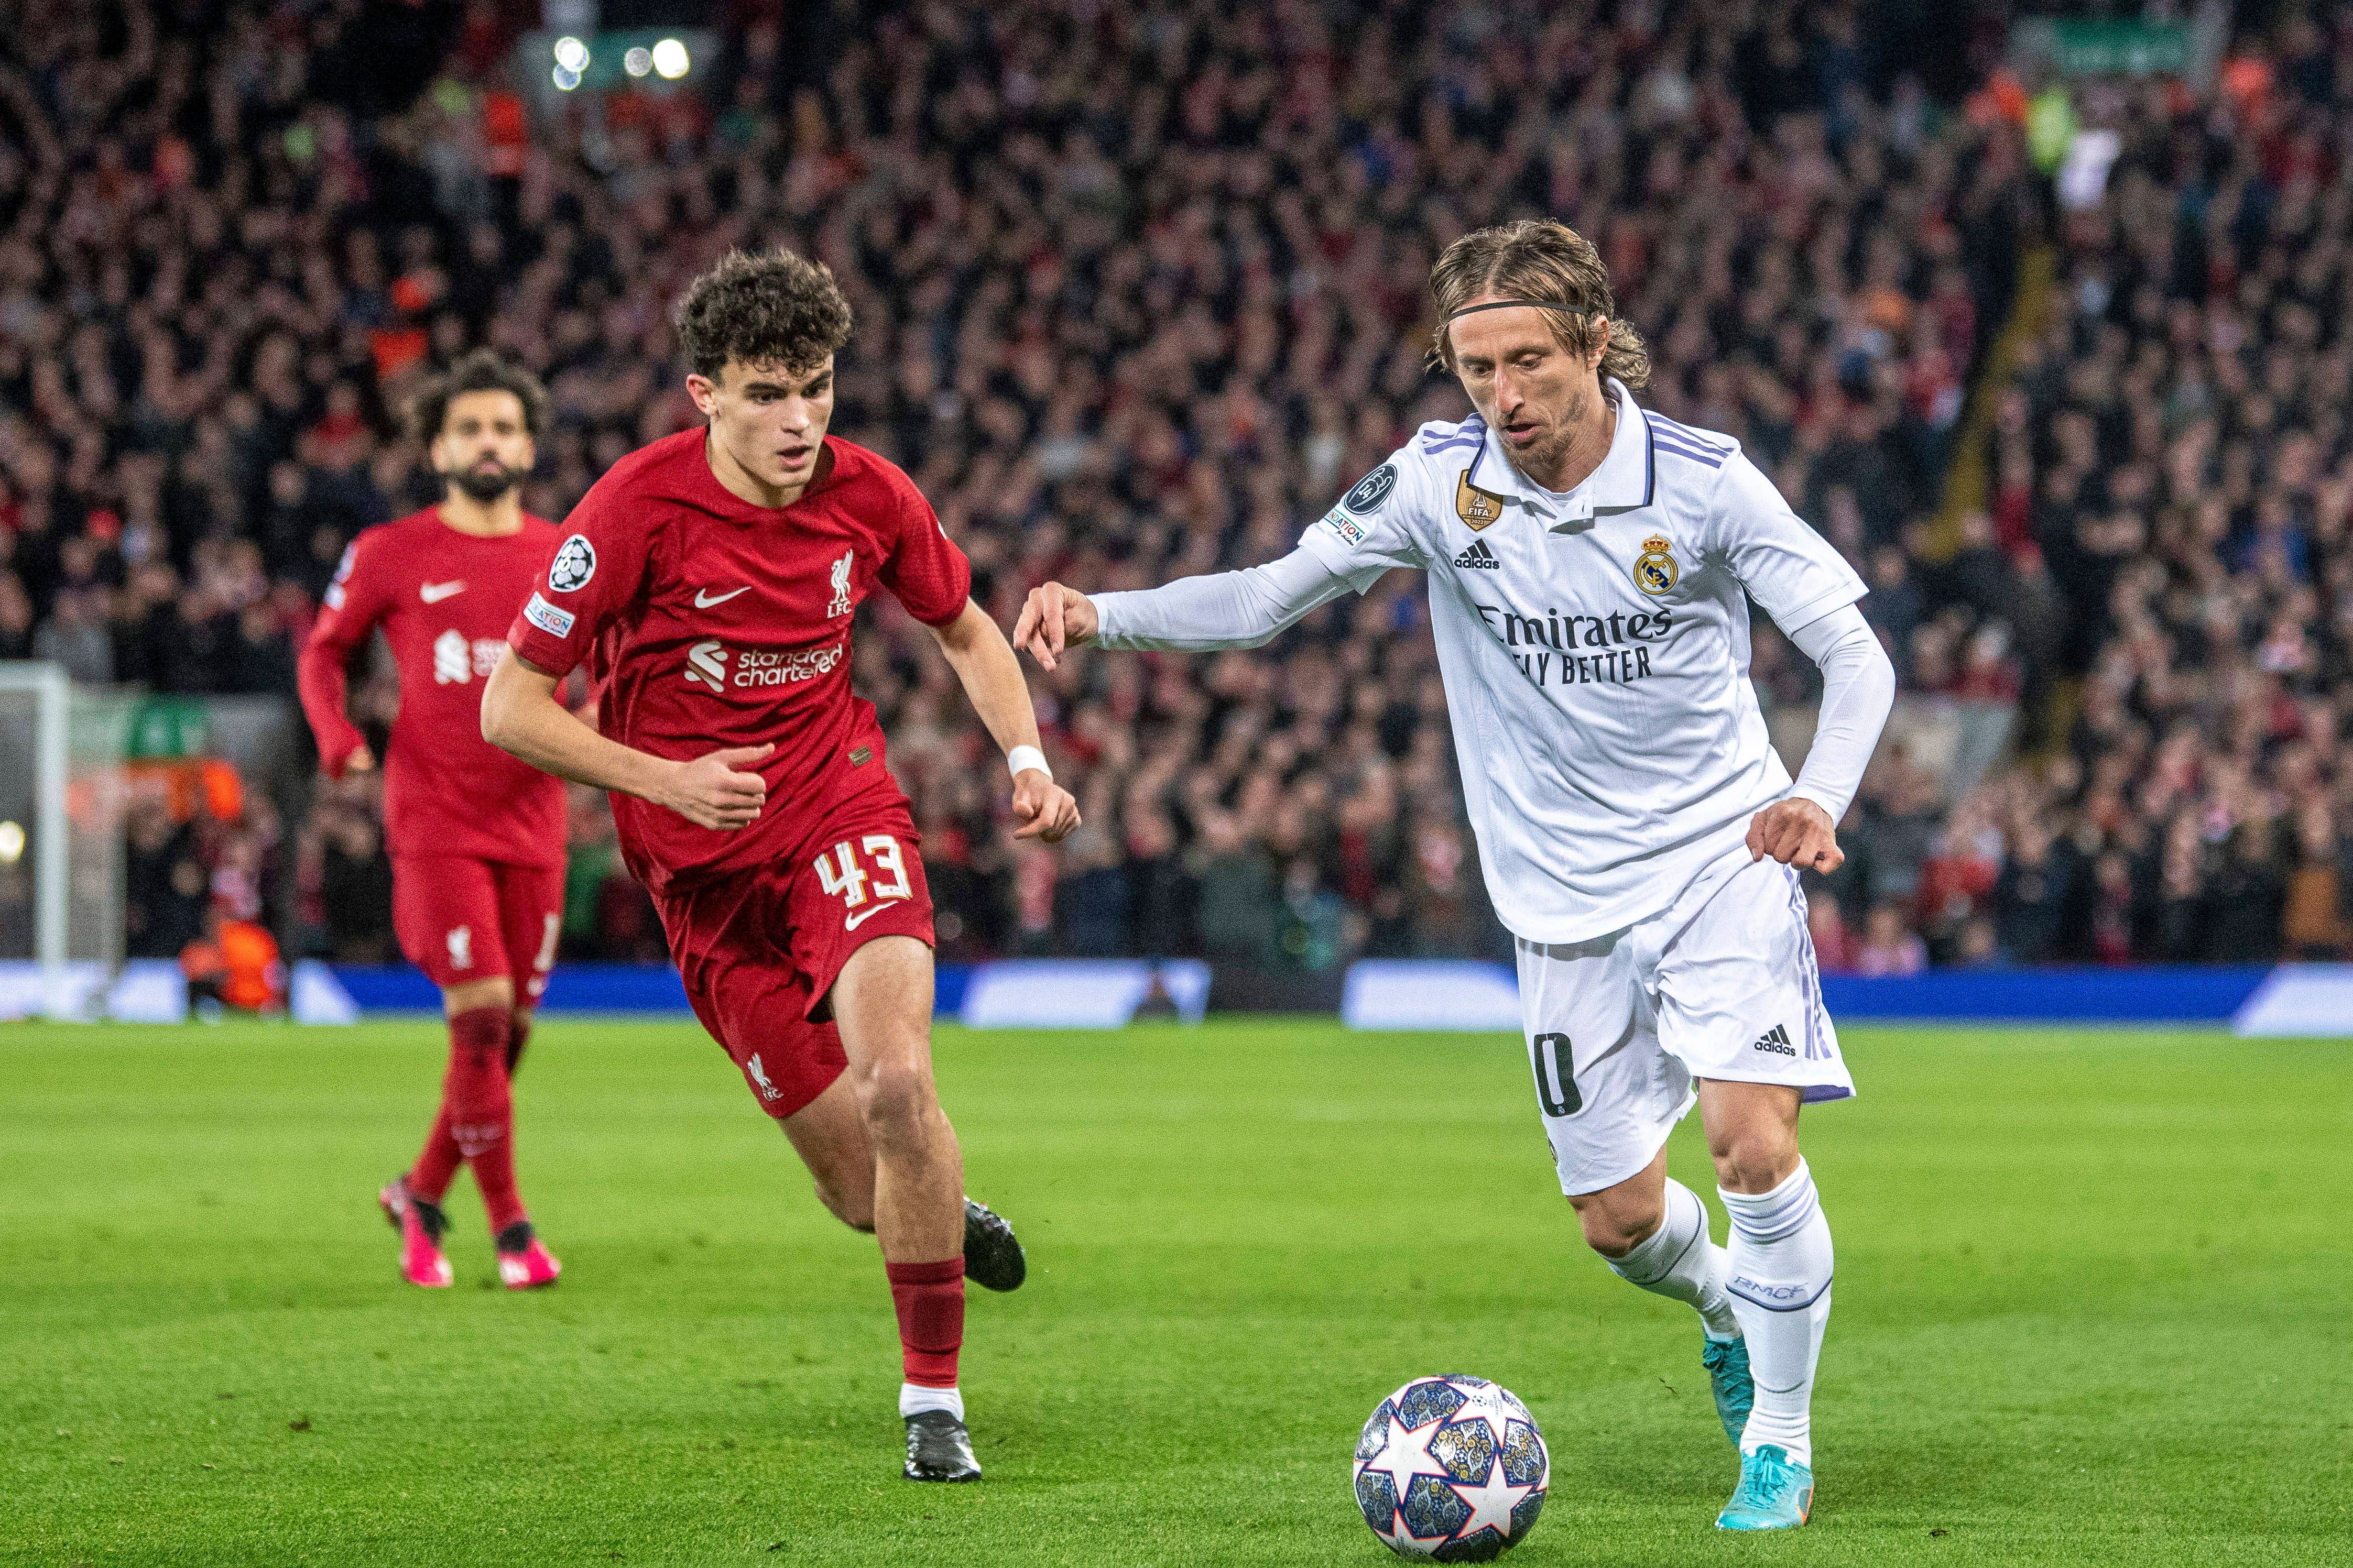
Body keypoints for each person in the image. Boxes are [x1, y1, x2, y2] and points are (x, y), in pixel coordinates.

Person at [1014, 220, 1895, 1532]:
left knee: (1749, 1145)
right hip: (1558, 903)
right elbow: (1267, 598)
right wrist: (1104, 610)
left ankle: (1780, 1440)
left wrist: (1813, 796)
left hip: (1723, 856)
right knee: (1616, 1220)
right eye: (1474, 368)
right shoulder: (1437, 484)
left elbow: (1855, 654)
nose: (1503, 397)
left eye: (1529, 362)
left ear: (1594, 341)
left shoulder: (1705, 483)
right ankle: (1722, 1305)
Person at [480, 248, 1080, 1483]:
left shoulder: (870, 495)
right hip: (698, 879)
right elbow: (509, 706)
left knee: (901, 1086)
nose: (799, 419)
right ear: (703, 393)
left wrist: (1024, 757)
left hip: (833, 815)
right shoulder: (633, 512)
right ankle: (936, 1211)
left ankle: (932, 1406)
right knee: (864, 1195)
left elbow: (964, 625)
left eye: (815, 387)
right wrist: (664, 780)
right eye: (766, 393)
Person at [297, 350, 568, 1292]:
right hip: (435, 820)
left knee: (509, 1035)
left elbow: (615, 659)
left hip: (538, 820)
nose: (487, 442)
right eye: (468, 428)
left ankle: (418, 1193)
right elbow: (322, 651)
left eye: (502, 427)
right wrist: (335, 736)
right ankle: (511, 1230)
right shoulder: (389, 551)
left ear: (528, 445)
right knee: (483, 1018)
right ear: (437, 446)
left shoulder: (565, 553)